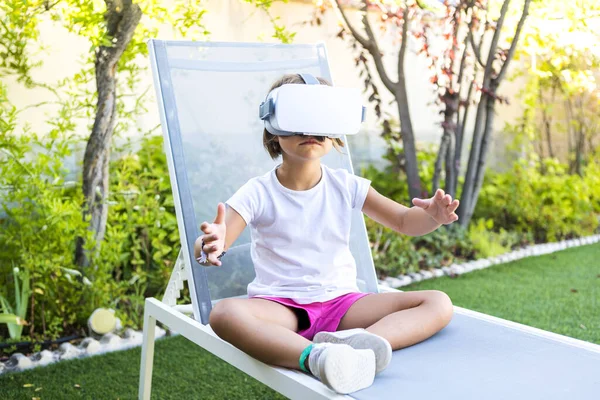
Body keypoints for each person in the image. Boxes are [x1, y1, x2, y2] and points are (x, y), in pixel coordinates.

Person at [194, 74, 458, 394]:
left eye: (321, 119)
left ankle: (361, 348)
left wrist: (432, 216)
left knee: (438, 303)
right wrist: (209, 244)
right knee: (223, 314)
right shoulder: (258, 192)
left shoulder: (346, 184)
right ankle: (316, 357)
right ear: (274, 131)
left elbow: (404, 221)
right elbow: (218, 241)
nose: (311, 130)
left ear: (335, 132)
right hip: (282, 309)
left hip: (344, 305)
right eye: (298, 118)